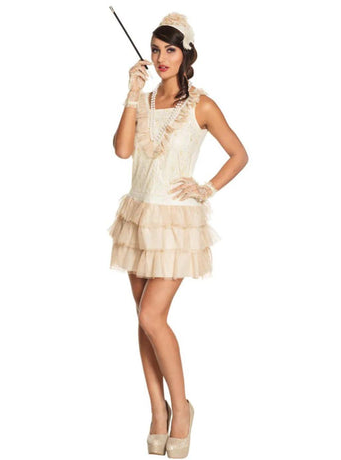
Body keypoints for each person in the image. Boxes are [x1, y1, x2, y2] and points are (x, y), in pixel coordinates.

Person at [107, 12, 248, 458]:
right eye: (155, 49)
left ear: (186, 53)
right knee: (143, 319)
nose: (160, 57)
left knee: (152, 316)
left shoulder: (202, 105)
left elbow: (239, 154)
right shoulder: (144, 100)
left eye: (169, 49)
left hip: (176, 223)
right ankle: (158, 410)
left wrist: (206, 188)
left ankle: (182, 408)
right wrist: (131, 94)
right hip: (138, 216)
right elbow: (122, 150)